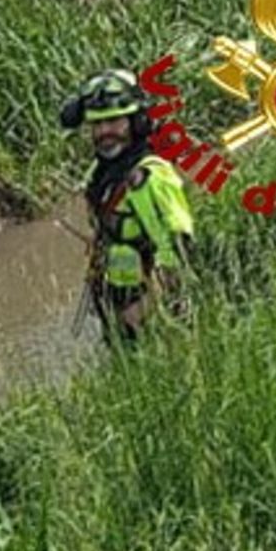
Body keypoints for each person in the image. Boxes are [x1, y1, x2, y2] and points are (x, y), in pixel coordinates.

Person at [60, 68, 195, 344]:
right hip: (118, 308)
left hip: (153, 320)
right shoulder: (104, 171)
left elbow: (180, 250)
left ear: (136, 122)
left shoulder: (150, 177)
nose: (104, 132)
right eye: (97, 125)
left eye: (114, 122)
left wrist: (143, 309)